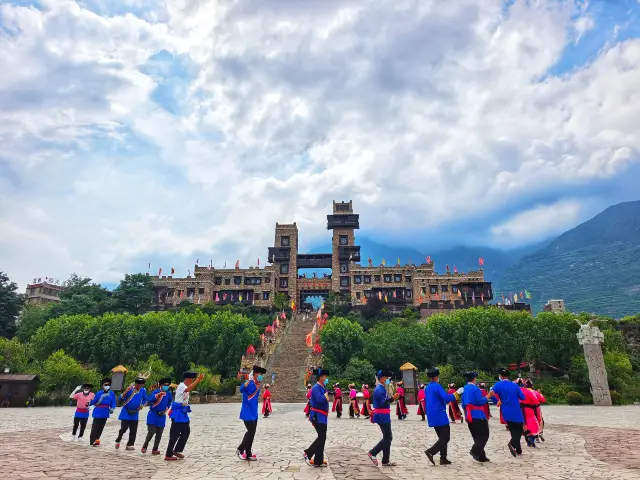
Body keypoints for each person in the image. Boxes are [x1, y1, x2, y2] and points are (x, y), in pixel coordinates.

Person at [165, 371, 205, 461]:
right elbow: (188, 389)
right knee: (174, 434)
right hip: (178, 413)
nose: (193, 381)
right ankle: (168, 454)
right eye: (192, 379)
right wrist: (198, 380)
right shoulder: (182, 386)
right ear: (188, 379)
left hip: (183, 412)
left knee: (186, 432)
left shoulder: (185, 386)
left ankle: (177, 450)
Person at [368, 370, 400, 467]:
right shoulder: (379, 389)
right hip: (382, 416)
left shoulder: (382, 388)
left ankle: (385, 460)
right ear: (381, 378)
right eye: (386, 377)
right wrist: (393, 398)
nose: (387, 379)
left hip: (384, 415)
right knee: (388, 437)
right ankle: (373, 452)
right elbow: (383, 403)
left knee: (387, 438)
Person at [424, 368, 455, 466]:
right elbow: (446, 398)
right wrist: (456, 394)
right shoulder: (437, 386)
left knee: (442, 437)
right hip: (439, 413)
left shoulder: (427, 387)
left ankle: (443, 458)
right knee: (446, 437)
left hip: (431, 414)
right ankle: (431, 451)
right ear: (437, 376)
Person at [492, 368, 526, 456]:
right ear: (508, 376)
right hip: (516, 410)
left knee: (513, 430)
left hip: (505, 410)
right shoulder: (514, 385)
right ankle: (512, 443)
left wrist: (497, 401)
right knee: (519, 430)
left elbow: (491, 394)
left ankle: (518, 449)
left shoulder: (497, 385)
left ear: (500, 376)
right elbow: (523, 397)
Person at [237, 365, 266, 461]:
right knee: (250, 432)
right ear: (256, 374)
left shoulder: (256, 384)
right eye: (260, 374)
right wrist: (248, 381)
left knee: (252, 433)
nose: (261, 376)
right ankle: (240, 450)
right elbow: (242, 389)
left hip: (254, 412)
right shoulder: (250, 383)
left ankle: (248, 453)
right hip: (247, 411)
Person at [460, 371, 490, 462]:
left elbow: (463, 404)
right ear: (474, 379)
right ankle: (475, 451)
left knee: (476, 436)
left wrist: (466, 415)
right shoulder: (475, 389)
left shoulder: (464, 389)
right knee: (484, 434)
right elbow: (480, 401)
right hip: (478, 414)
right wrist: (488, 396)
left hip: (469, 415)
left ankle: (481, 456)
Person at [304, 367, 330, 468]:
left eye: (326, 376)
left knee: (322, 437)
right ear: (319, 378)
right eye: (324, 376)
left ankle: (318, 460)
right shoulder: (316, 387)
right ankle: (308, 453)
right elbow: (319, 400)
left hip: (322, 415)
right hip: (317, 416)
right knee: (321, 437)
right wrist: (325, 396)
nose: (325, 378)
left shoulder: (323, 388)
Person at [141, 377, 172, 455]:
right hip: (153, 415)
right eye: (165, 385)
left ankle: (155, 449)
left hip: (161, 416)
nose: (166, 386)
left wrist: (166, 409)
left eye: (167, 385)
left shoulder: (168, 393)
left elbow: (169, 402)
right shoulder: (155, 392)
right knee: (151, 431)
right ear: (161, 385)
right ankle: (145, 445)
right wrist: (158, 395)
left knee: (159, 433)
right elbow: (150, 399)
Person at [115, 376, 147, 450]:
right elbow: (120, 398)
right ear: (135, 384)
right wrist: (125, 392)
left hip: (135, 412)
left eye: (141, 385)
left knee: (133, 429)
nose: (140, 386)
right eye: (138, 385)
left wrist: (141, 405)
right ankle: (118, 439)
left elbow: (145, 399)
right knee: (124, 428)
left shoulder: (143, 390)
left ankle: (130, 444)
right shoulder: (129, 389)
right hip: (126, 412)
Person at [88, 378, 116, 446]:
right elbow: (94, 401)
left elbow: (113, 402)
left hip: (105, 412)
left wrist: (112, 408)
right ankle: (92, 441)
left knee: (101, 428)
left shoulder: (111, 393)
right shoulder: (99, 393)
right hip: (98, 411)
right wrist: (88, 403)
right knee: (95, 427)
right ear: (102, 385)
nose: (107, 386)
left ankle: (97, 440)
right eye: (105, 384)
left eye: (108, 384)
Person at [516, 378, 542, 448]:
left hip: (516, 410)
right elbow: (536, 401)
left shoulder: (513, 391)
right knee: (533, 424)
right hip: (528, 410)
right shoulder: (528, 392)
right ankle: (531, 438)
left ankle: (525, 439)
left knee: (520, 425)